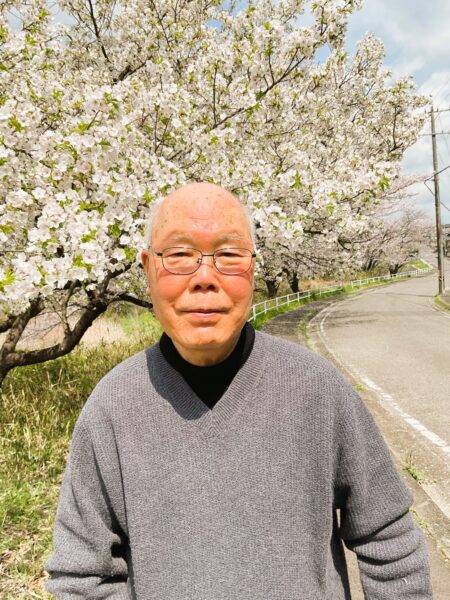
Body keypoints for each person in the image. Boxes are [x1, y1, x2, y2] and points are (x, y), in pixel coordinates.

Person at [45, 182, 432, 599]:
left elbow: (388, 539)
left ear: (252, 268)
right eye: (179, 255)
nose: (204, 279)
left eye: (228, 255)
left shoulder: (317, 390)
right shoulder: (112, 407)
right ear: (147, 268)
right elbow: (82, 578)